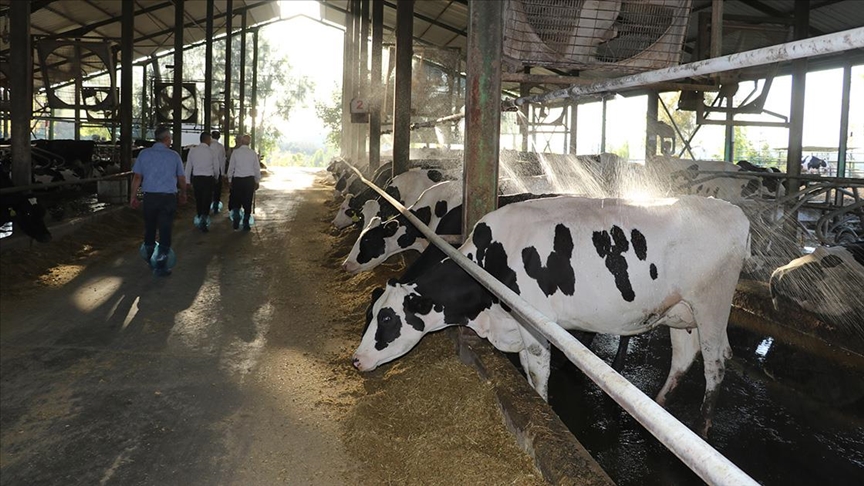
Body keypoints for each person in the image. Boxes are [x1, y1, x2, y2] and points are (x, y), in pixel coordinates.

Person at [129, 126, 187, 276]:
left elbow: (137, 177)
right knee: (165, 230)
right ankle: (160, 265)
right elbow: (181, 178)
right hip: (167, 199)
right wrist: (184, 193)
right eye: (170, 138)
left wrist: (133, 197)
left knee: (150, 228)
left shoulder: (144, 154)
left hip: (150, 198)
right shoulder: (174, 156)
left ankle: (149, 258)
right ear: (167, 139)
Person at [226, 134, 261, 231]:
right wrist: (257, 180)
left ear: (241, 142)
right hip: (249, 180)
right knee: (247, 201)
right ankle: (246, 222)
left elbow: (231, 167)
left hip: (237, 180)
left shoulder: (235, 153)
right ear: (249, 143)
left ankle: (236, 214)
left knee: (236, 200)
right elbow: (256, 169)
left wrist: (229, 179)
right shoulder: (253, 153)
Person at [185, 132, 219, 232]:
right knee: (207, 200)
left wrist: (187, 180)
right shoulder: (212, 152)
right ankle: (204, 219)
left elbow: (188, 167)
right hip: (208, 179)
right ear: (207, 140)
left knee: (199, 199)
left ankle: (200, 216)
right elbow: (216, 167)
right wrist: (216, 177)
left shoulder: (193, 151)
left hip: (197, 179)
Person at [210, 130, 226, 213]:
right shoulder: (220, 147)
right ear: (219, 137)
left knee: (208, 189)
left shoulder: (208, 146)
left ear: (211, 136)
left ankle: (206, 207)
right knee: (217, 190)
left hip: (208, 170)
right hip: (218, 170)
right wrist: (222, 173)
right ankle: (215, 207)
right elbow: (222, 161)